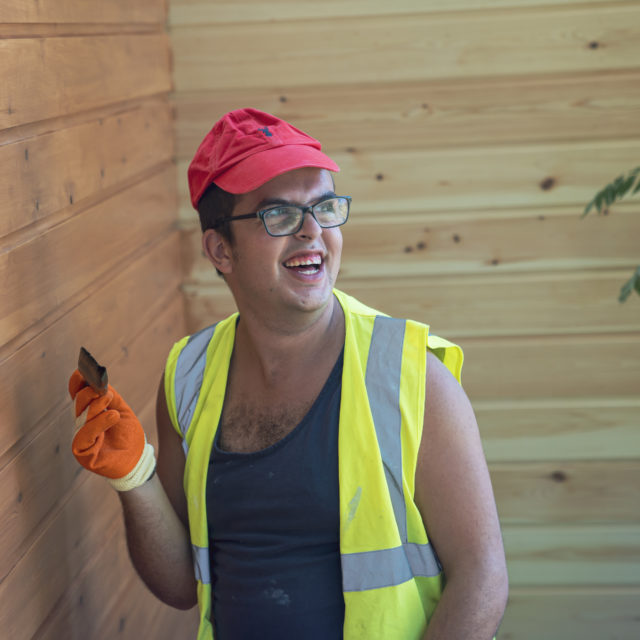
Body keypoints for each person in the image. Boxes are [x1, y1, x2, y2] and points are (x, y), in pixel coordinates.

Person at [69, 108, 508, 639]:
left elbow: (482, 579)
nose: (312, 233)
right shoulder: (187, 377)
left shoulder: (412, 378)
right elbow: (182, 585)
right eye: (278, 215)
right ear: (219, 249)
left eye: (324, 207)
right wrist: (134, 476)